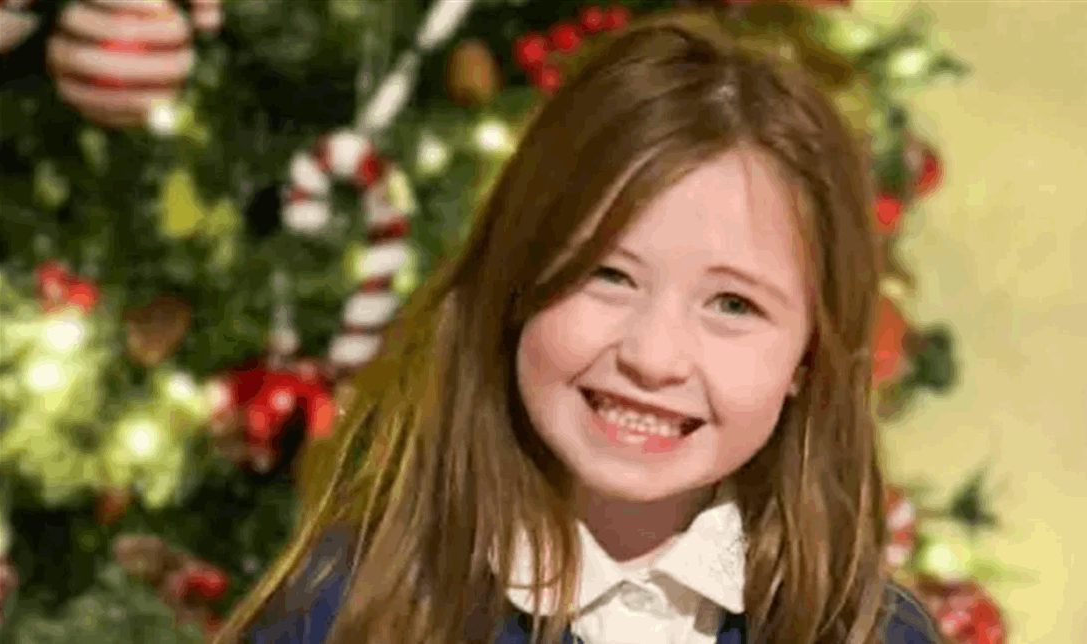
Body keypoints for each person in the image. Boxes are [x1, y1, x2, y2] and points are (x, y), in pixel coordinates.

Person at [215, 6, 941, 644]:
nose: (653, 357)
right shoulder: (343, 609)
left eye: (732, 305)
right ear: (515, 280)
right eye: (608, 274)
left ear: (808, 357)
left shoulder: (877, 635)